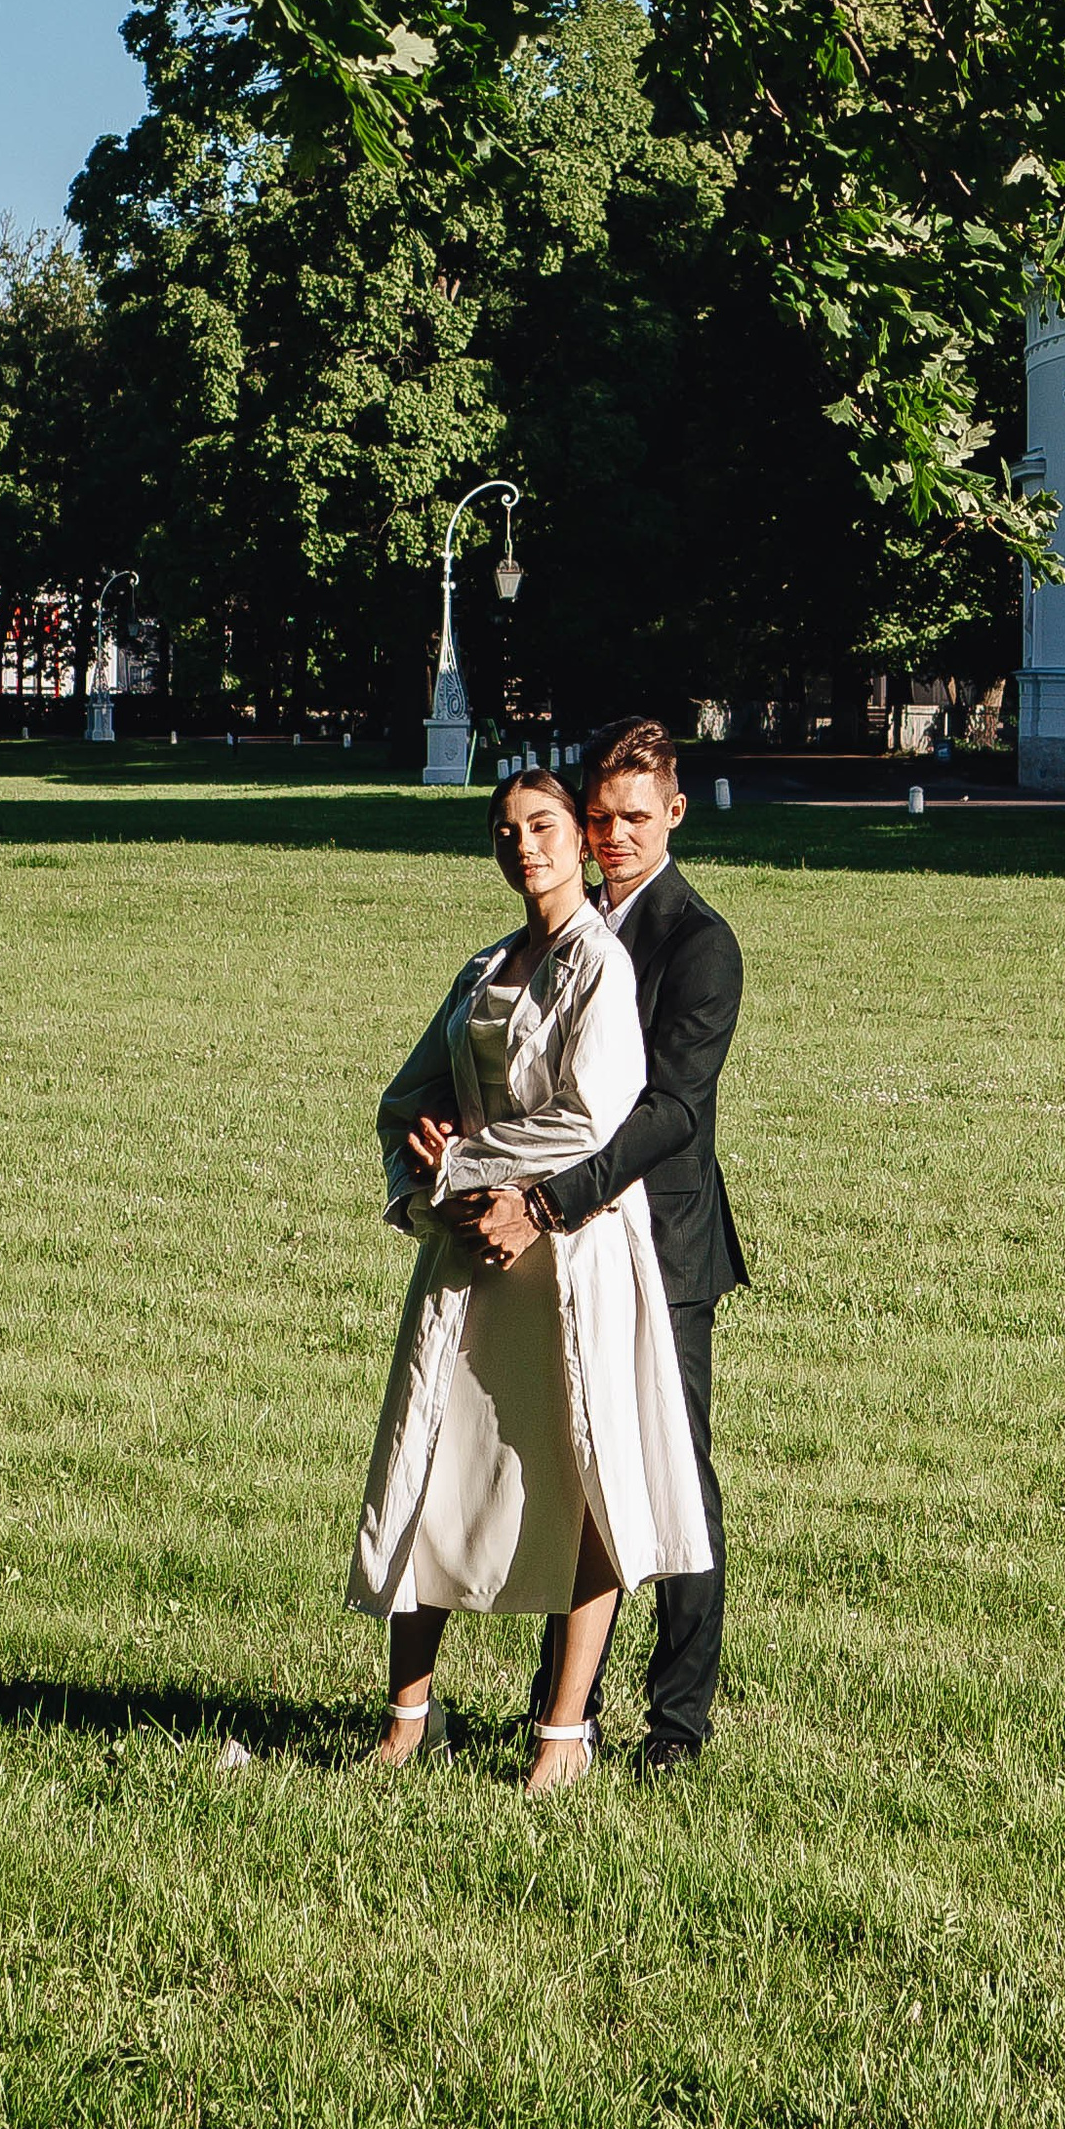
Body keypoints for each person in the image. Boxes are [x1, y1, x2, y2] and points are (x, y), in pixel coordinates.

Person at [348, 766, 712, 1790]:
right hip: (469, 1256)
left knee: (582, 1479)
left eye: (543, 825)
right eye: (506, 830)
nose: (525, 845)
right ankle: (407, 1719)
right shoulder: (485, 964)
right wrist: (426, 1171)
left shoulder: (600, 965)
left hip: (571, 1255)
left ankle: (561, 1740)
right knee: (428, 1469)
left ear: (579, 839)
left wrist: (465, 1160)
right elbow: (401, 1101)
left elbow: (591, 1118)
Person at [451, 718, 746, 1774]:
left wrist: (546, 1197)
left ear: (673, 811)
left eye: (633, 818)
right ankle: (560, 1708)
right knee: (570, 1468)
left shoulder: (697, 944)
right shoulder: (552, 935)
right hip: (550, 1240)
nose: (612, 837)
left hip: (659, 1247)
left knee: (670, 1481)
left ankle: (677, 1723)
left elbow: (667, 1111)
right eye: (598, 818)